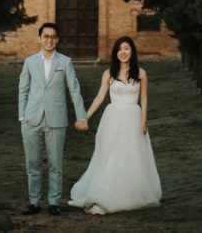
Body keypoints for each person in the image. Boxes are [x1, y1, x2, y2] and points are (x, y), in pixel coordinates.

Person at [69, 35, 162, 215]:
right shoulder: (109, 73)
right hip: (113, 119)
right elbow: (99, 98)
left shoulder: (141, 73)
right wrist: (84, 117)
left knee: (132, 155)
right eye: (120, 49)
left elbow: (143, 98)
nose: (123, 52)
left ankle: (130, 191)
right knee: (110, 154)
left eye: (126, 48)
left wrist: (143, 122)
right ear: (115, 53)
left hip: (133, 118)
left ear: (132, 51)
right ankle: (106, 190)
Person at [18, 22, 89, 216]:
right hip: (31, 119)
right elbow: (23, 89)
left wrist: (81, 116)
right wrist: (22, 116)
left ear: (57, 40)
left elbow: (74, 90)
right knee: (32, 163)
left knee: (55, 163)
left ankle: (54, 202)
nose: (49, 40)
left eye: (53, 37)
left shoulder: (65, 62)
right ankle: (33, 202)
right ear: (40, 38)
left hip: (56, 119)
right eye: (46, 36)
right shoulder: (30, 61)